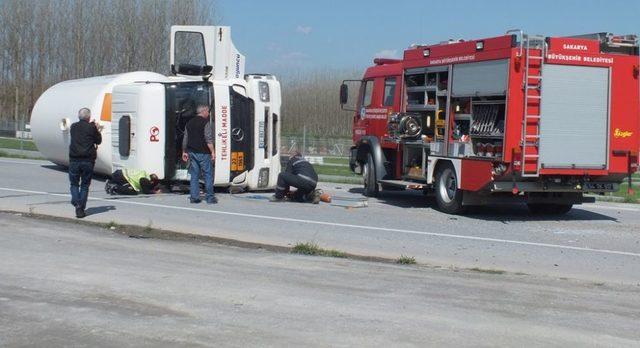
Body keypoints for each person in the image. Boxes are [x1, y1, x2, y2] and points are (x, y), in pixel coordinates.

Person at [68, 107, 102, 218]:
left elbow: (81, 134)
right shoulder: (92, 128)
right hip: (88, 160)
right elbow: (98, 141)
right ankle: (80, 207)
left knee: (74, 183)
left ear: (79, 116)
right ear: (89, 117)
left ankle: (76, 201)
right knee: (85, 185)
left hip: (74, 159)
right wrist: (97, 129)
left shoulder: (73, 127)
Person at [182, 104, 216, 204]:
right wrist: (213, 152)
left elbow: (185, 139)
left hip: (192, 152)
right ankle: (210, 198)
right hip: (204, 153)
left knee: (194, 175)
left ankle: (194, 197)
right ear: (204, 111)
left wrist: (184, 151)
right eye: (208, 112)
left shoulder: (189, 123)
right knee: (208, 175)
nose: (209, 114)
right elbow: (208, 139)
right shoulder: (205, 123)